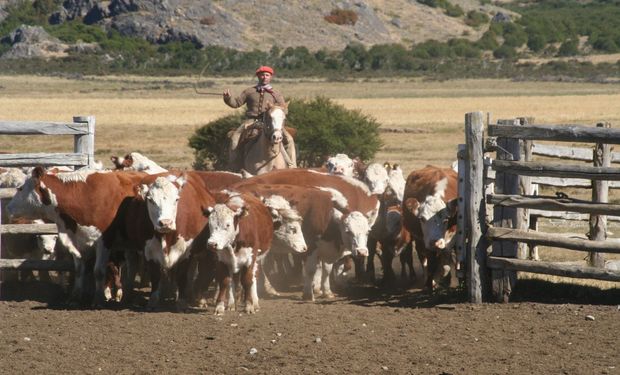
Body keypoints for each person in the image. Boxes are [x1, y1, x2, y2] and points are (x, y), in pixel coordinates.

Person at [223, 65, 293, 171]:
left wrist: (276, 110)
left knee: (289, 139)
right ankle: (233, 166)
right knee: (235, 138)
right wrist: (228, 98)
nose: (264, 77)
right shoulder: (249, 91)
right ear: (258, 76)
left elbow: (284, 109)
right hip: (251, 121)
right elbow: (236, 103)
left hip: (272, 123)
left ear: (270, 77)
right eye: (262, 75)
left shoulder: (276, 94)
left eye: (267, 75)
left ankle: (292, 166)